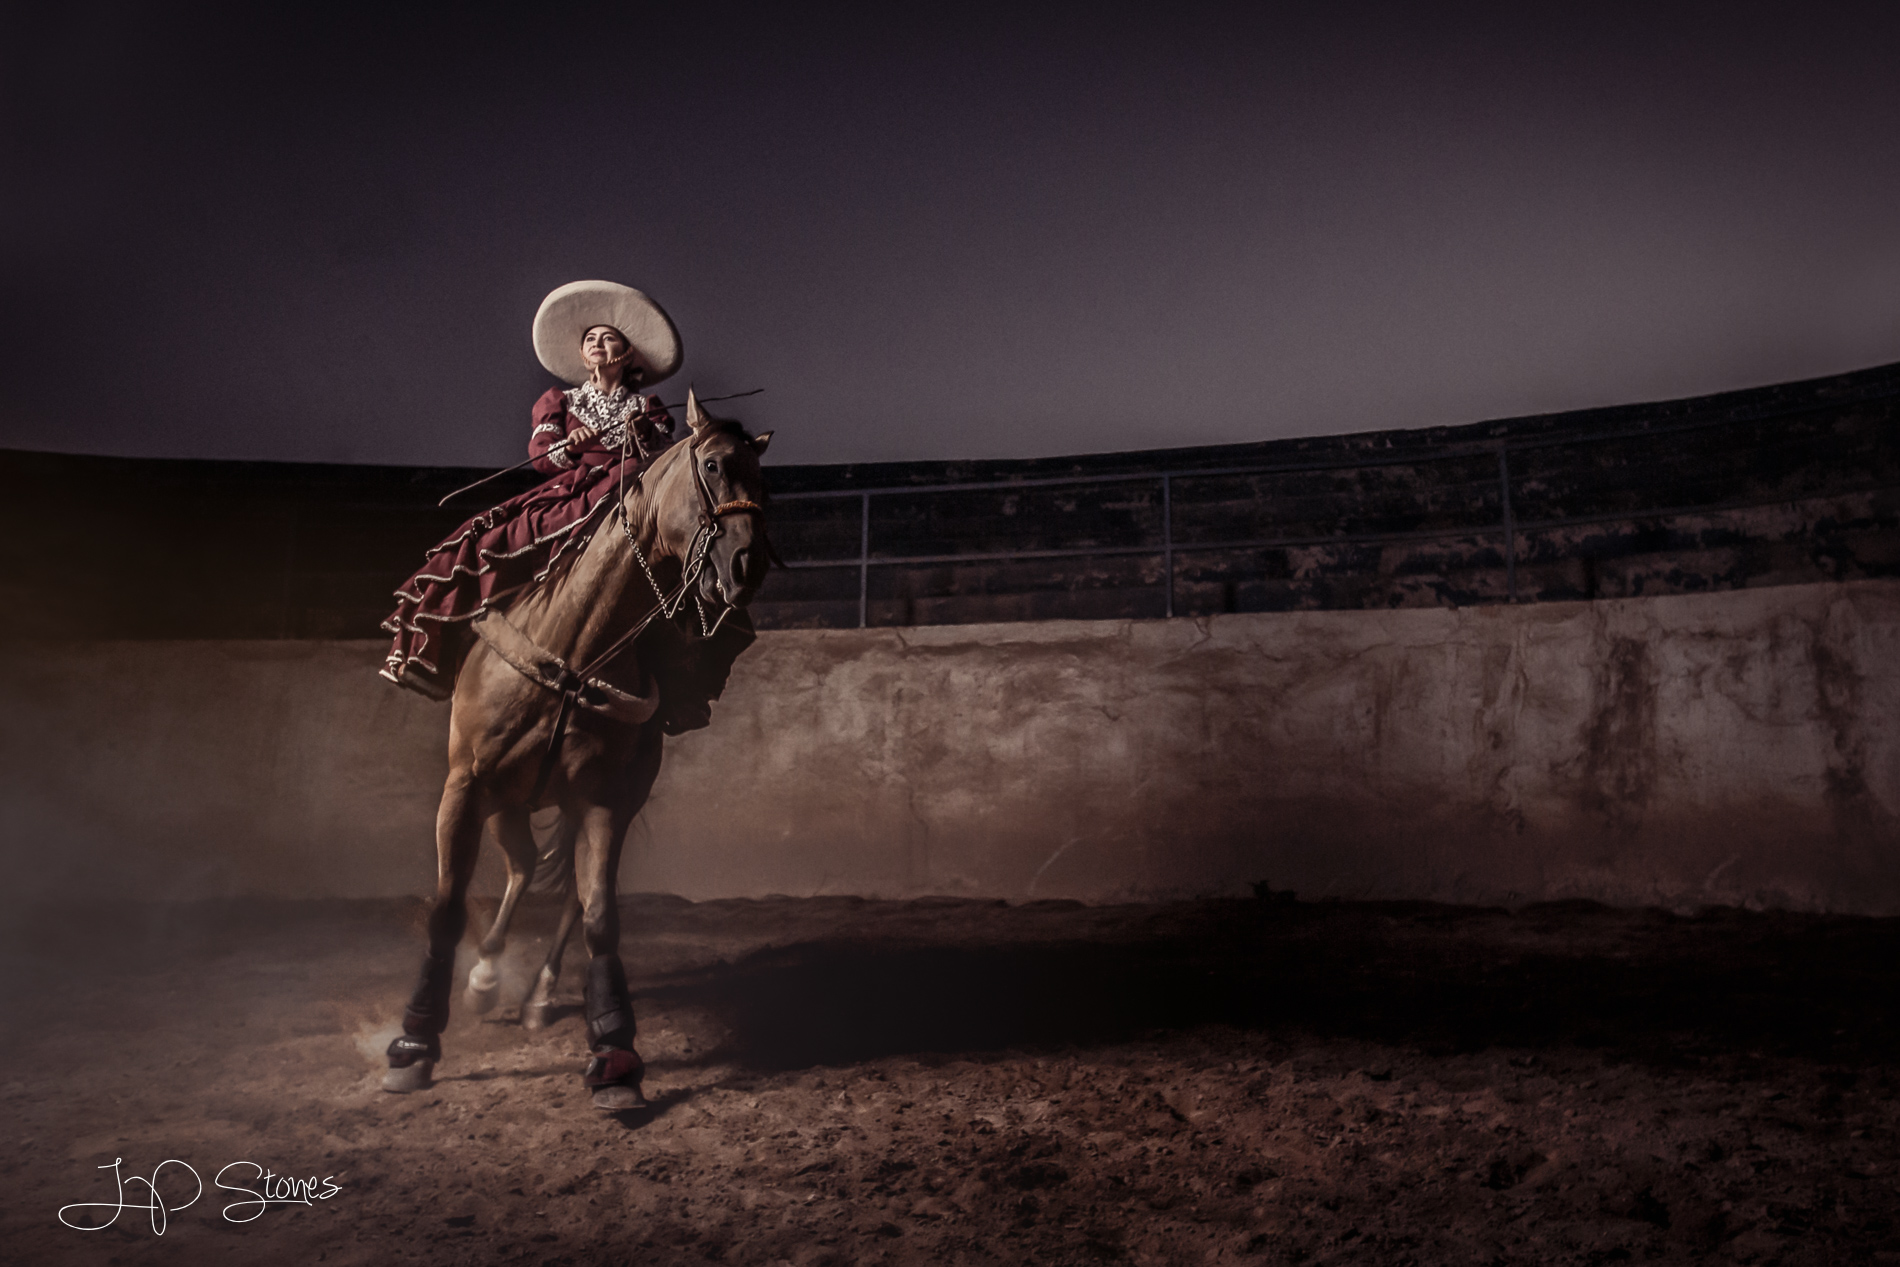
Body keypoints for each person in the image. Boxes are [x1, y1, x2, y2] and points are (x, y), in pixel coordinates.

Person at [380, 280, 751, 731]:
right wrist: (569, 446)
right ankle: (450, 652)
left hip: (628, 494)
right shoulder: (559, 401)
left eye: (608, 337)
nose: (597, 343)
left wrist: (641, 436)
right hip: (574, 491)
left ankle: (679, 686)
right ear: (582, 355)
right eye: (589, 339)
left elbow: (661, 461)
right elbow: (543, 456)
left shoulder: (649, 406)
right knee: (492, 539)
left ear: (627, 354)